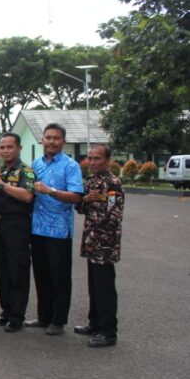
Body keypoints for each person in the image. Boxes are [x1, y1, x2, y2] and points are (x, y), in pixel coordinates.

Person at [27, 123, 83, 335]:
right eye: (47, 137)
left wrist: (50, 190)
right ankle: (44, 316)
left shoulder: (71, 166)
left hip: (59, 231)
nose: (51, 141)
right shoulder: (36, 164)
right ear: (42, 139)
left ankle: (58, 320)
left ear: (63, 141)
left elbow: (76, 196)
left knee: (59, 276)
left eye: (56, 138)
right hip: (37, 228)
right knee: (41, 274)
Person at [75, 144, 123, 348]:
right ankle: (94, 323)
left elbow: (114, 215)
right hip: (91, 242)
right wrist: (86, 199)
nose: (92, 162)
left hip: (104, 244)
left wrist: (100, 237)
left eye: (97, 158)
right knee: (94, 286)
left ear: (108, 160)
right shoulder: (91, 181)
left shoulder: (112, 184)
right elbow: (79, 207)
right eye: (90, 158)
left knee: (104, 288)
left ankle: (108, 331)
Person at [0, 133, 35, 333]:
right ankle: (6, 311)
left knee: (18, 271)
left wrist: (2, 185)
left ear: (19, 148)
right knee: (2, 270)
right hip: (0, 225)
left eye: (10, 147)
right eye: (2, 147)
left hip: (18, 226)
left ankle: (17, 316)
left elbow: (27, 196)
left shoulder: (26, 171)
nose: (5, 150)